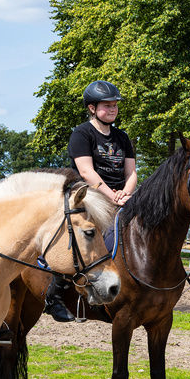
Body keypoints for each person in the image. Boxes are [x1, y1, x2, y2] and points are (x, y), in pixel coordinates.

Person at [43, 80, 137, 322]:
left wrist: (125, 193)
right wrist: (111, 196)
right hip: (90, 195)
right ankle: (55, 294)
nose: (113, 109)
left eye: (115, 105)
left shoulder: (122, 137)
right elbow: (86, 172)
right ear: (92, 108)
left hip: (120, 197)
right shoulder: (82, 134)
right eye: (107, 105)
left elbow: (131, 173)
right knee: (81, 235)